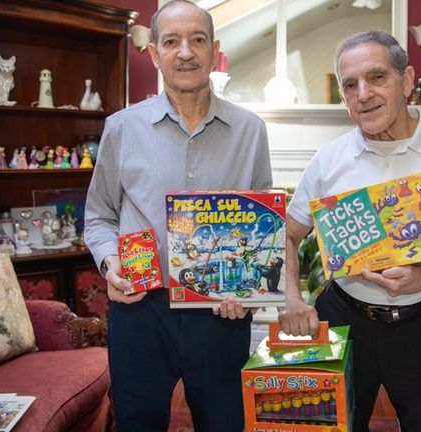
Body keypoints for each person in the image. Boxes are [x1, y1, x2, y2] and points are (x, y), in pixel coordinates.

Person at [279, 31, 421, 431]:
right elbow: (289, 234)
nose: (363, 93)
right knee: (328, 426)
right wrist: (294, 299)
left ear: (406, 80)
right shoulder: (329, 159)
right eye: (350, 85)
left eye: (377, 77)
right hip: (344, 319)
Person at [84, 1, 272, 430]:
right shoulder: (120, 128)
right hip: (141, 310)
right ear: (154, 54)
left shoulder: (250, 130)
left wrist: (252, 289)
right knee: (138, 423)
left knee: (225, 422)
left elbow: (264, 228)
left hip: (220, 315)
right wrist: (112, 262)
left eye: (197, 40)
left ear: (214, 49)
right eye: (171, 41)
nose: (185, 52)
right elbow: (98, 217)